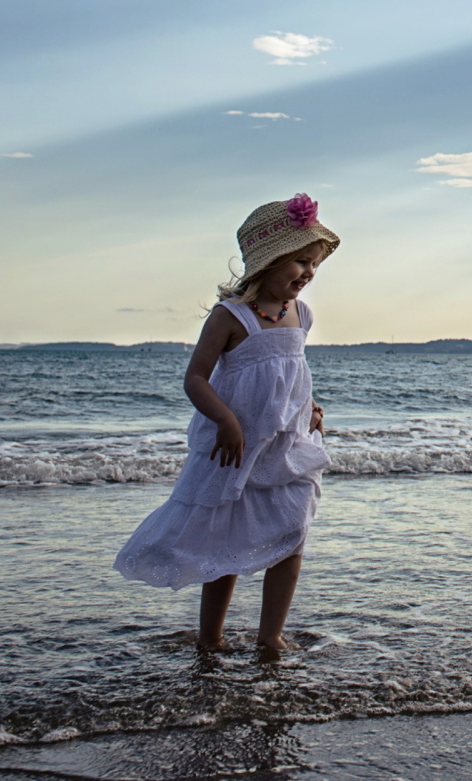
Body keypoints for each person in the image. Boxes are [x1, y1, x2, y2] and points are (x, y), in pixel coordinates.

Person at [115, 193, 339, 652]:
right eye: (301, 261)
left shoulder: (302, 316)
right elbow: (195, 378)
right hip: (234, 449)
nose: (309, 273)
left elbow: (292, 374)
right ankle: (210, 638)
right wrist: (225, 419)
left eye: (314, 264)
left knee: (292, 534)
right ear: (268, 260)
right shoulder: (230, 317)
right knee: (225, 545)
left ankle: (270, 636)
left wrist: (311, 406)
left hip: (285, 446)